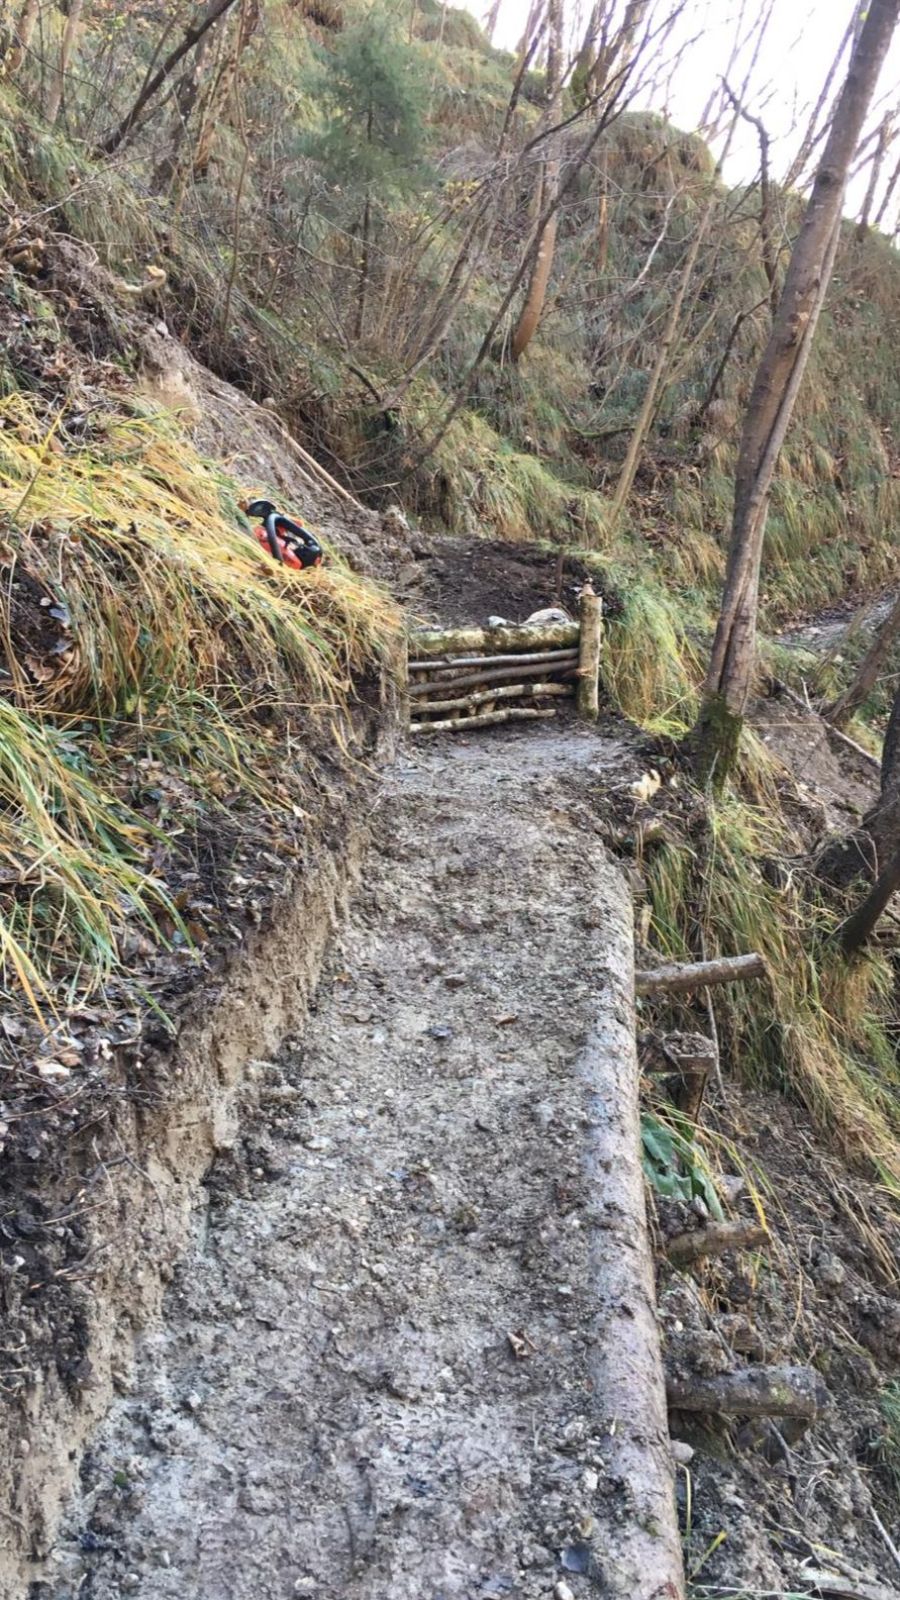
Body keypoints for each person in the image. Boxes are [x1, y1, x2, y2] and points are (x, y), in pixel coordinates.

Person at [242, 499, 323, 569]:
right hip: (273, 534)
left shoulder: (290, 557)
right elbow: (294, 525)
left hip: (261, 543)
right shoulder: (282, 528)